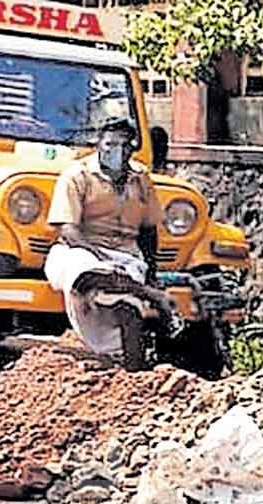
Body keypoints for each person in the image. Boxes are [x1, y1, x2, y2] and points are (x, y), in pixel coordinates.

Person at [44, 117, 182, 366]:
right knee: (86, 272)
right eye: (110, 144)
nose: (117, 151)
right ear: (98, 144)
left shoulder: (141, 178)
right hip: (79, 250)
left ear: (132, 148)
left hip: (126, 256)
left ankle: (134, 374)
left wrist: (151, 272)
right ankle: (152, 295)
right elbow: (68, 230)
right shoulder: (77, 175)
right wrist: (100, 259)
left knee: (129, 311)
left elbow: (149, 230)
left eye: (124, 145)